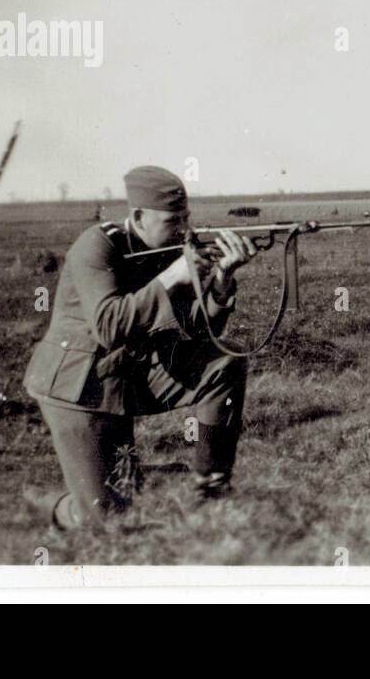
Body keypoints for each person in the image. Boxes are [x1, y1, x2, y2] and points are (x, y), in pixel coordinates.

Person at [22, 165, 260, 529]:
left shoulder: (167, 248)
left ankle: (212, 490)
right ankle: (39, 500)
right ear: (138, 216)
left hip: (127, 378)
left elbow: (199, 330)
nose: (184, 229)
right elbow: (108, 326)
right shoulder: (97, 245)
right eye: (172, 220)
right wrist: (173, 277)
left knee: (226, 360)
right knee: (107, 521)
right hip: (77, 388)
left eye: (186, 218)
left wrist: (223, 280)